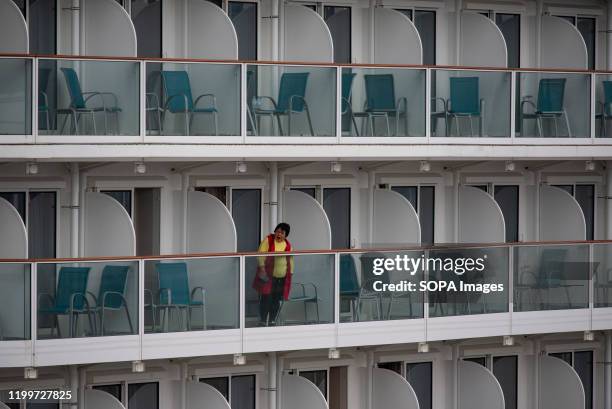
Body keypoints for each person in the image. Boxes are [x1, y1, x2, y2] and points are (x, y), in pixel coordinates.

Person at [252, 223, 294, 326]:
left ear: (286, 235)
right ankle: (262, 321)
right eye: (277, 231)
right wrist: (262, 268)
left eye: (282, 233)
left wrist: (291, 273)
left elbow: (291, 260)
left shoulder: (288, 245)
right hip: (268, 276)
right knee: (266, 298)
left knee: (276, 300)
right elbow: (260, 254)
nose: (279, 234)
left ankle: (272, 320)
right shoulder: (268, 240)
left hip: (281, 278)